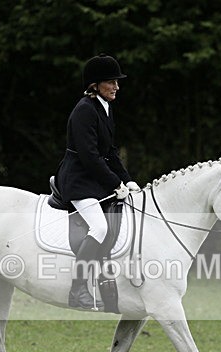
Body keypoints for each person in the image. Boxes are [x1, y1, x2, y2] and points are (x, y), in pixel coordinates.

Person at [54, 53, 139, 309]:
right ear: (95, 84)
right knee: (100, 228)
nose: (116, 87)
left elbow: (109, 152)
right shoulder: (84, 110)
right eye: (111, 82)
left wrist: (127, 181)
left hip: (92, 178)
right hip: (78, 180)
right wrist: (115, 184)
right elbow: (90, 156)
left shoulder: (105, 108)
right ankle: (78, 289)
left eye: (116, 82)